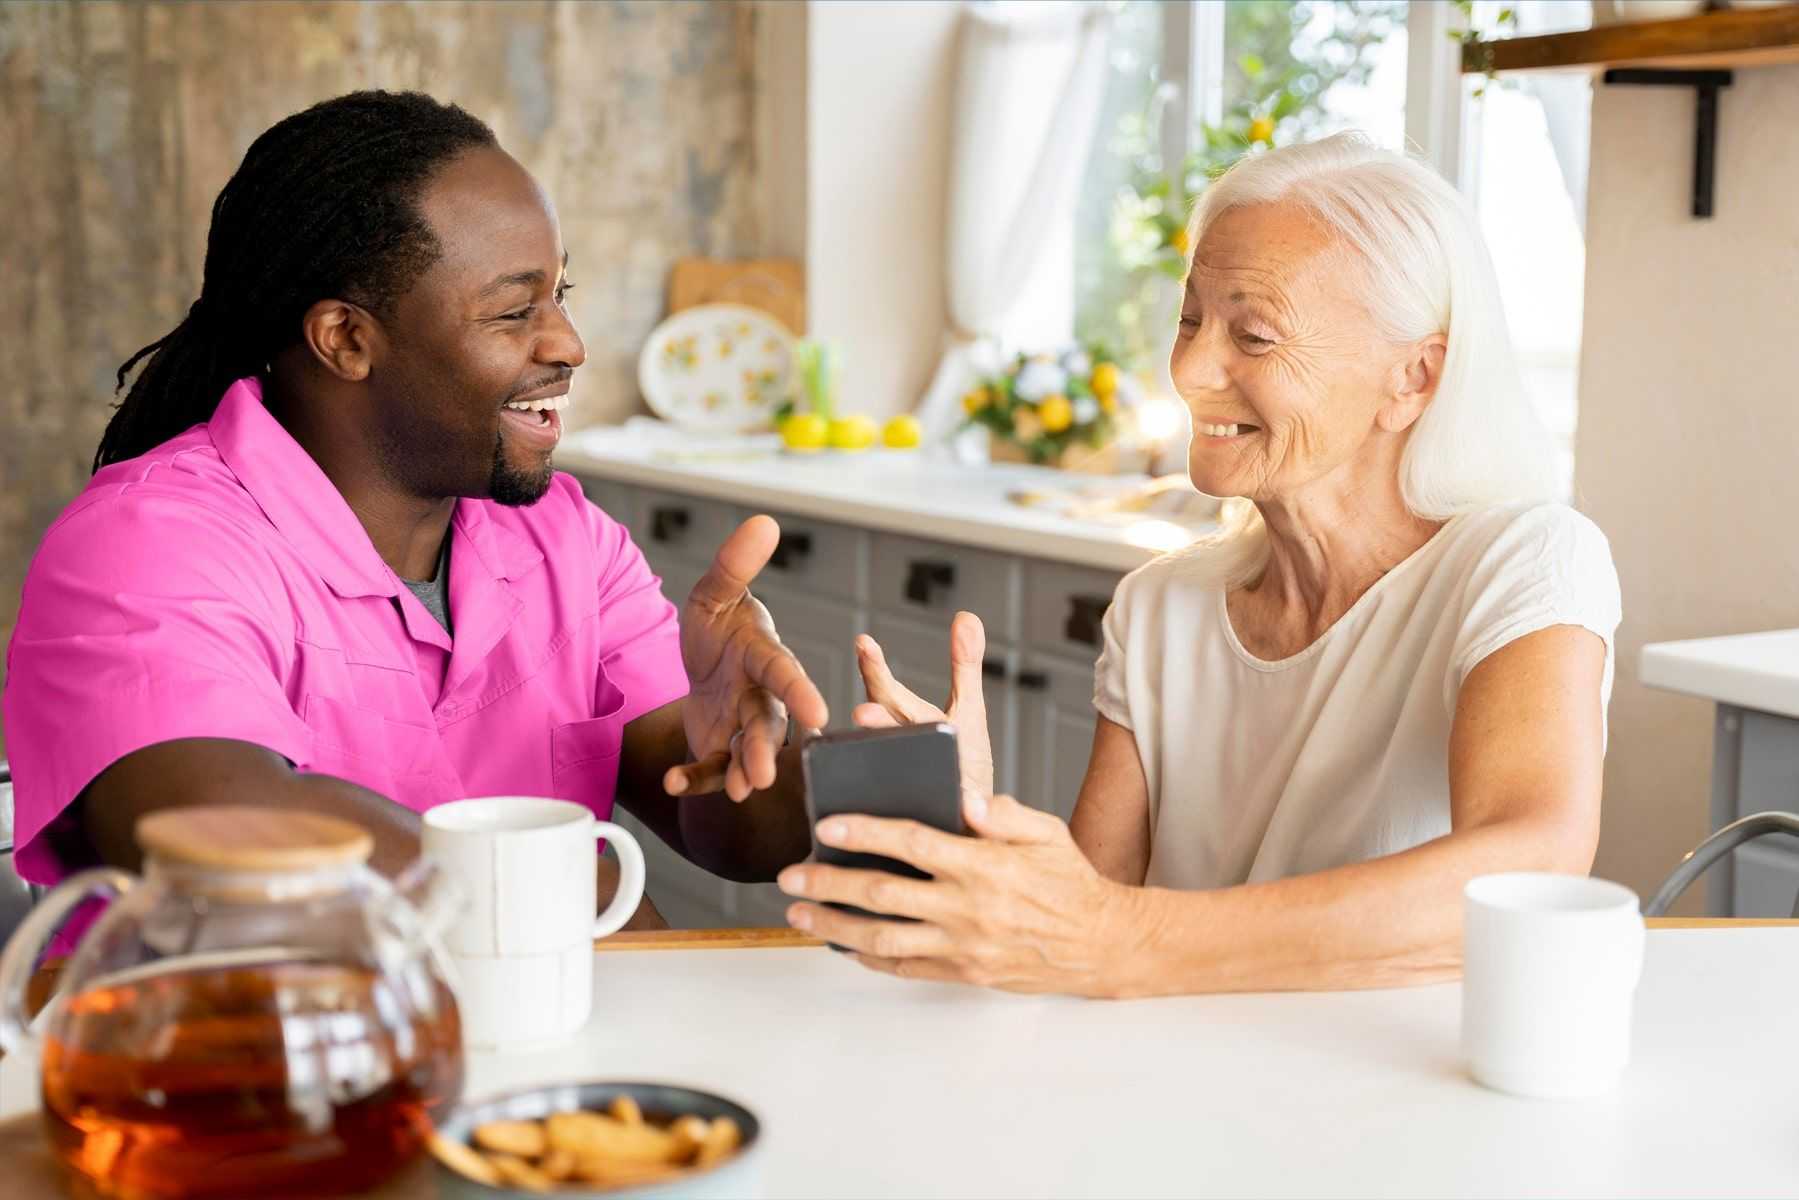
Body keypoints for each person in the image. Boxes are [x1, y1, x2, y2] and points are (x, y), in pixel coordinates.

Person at [775, 133, 1622, 996]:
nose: (1187, 369)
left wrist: (1122, 938)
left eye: (1252, 335)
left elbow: (1531, 863)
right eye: (1189, 320)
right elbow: (1086, 927)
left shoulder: (1523, 562)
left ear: (1412, 377)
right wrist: (981, 839)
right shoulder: (1159, 606)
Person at [2, 92, 825, 930]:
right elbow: (204, 828)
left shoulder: (565, 540)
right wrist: (569, 900)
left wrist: (794, 765)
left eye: (559, 294)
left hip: (533, 1046)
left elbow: (721, 826)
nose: (568, 343)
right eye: (514, 311)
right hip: (235, 1055)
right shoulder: (151, 544)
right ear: (346, 340)